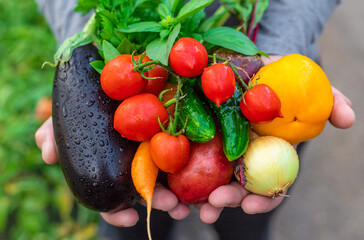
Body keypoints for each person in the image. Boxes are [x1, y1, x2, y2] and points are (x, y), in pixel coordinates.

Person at [35, 0, 355, 239]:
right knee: (129, 219)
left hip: (258, 69)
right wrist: (81, 59)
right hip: (130, 70)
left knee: (245, 226)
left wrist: (273, 54)